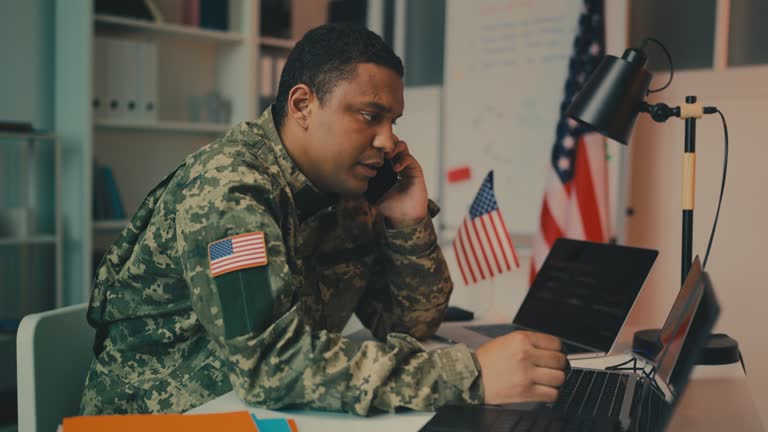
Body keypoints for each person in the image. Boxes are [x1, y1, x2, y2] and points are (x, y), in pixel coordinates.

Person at [80, 23, 567, 416]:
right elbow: (270, 365)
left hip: (261, 411)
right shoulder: (229, 190)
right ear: (302, 105)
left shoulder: (348, 188)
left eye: (393, 121)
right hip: (161, 417)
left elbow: (407, 322)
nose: (388, 141)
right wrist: (470, 375)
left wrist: (408, 224)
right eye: (369, 116)